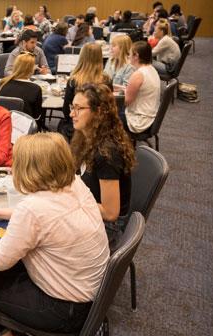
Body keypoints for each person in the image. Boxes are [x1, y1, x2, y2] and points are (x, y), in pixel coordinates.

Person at [0, 132, 109, 336]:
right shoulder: (75, 183)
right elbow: (41, 218)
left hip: (64, 309)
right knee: (9, 264)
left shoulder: (33, 209)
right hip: (92, 294)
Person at [70, 84, 135, 246]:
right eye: (72, 107)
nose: (72, 114)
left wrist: (70, 197)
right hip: (89, 210)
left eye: (78, 109)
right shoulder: (85, 137)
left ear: (98, 112)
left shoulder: (107, 153)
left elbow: (111, 213)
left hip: (107, 226)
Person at [61, 43, 111, 137]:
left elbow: (66, 109)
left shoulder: (73, 80)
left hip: (77, 127)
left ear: (81, 56)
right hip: (100, 126)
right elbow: (109, 106)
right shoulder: (107, 80)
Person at [0, 53, 44, 130]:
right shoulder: (35, 88)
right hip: (25, 130)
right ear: (30, 69)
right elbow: (36, 116)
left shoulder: (2, 83)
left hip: (2, 126)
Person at [124, 41, 161, 136]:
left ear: (136, 56)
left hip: (138, 121)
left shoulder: (138, 74)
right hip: (150, 118)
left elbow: (126, 101)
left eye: (130, 54)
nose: (128, 57)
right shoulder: (152, 69)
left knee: (104, 114)